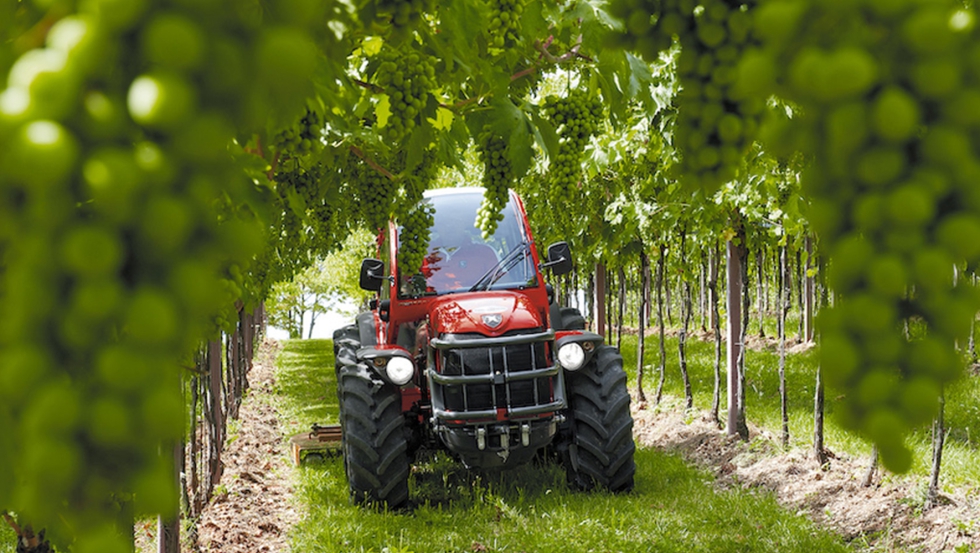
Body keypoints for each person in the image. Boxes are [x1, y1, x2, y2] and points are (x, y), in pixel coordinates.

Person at [423, 211, 498, 292]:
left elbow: (503, 287)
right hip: (430, 303)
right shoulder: (422, 253)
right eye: (443, 222)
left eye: (455, 221)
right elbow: (408, 287)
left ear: (464, 224)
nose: (449, 226)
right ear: (436, 226)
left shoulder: (484, 252)